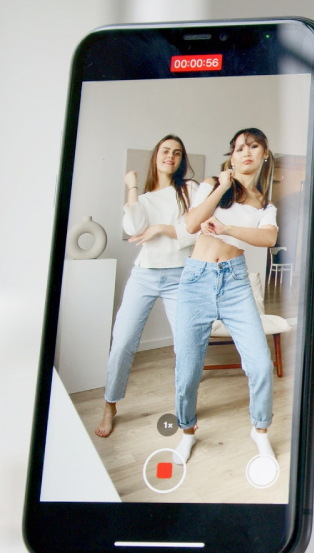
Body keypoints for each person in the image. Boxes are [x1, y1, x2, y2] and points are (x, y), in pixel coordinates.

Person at [172, 128, 279, 464]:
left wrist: (229, 229)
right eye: (238, 148)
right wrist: (220, 186)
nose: (245, 152)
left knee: (261, 365)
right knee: (187, 371)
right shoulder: (212, 185)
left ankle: (260, 432)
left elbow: (268, 238)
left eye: (253, 146)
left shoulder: (265, 203)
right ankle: (187, 432)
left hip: (235, 283)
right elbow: (191, 224)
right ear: (231, 156)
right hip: (195, 281)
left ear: (264, 154)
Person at [97, 134, 198, 438]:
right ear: (156, 156)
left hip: (180, 276)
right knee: (123, 342)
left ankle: (186, 410)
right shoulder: (141, 199)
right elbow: (132, 228)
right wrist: (131, 186)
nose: (171, 156)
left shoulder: (190, 190)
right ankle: (110, 405)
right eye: (166, 151)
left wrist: (160, 229)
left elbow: (193, 232)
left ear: (182, 160)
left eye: (177, 153)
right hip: (144, 275)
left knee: (186, 346)